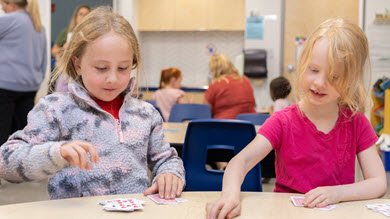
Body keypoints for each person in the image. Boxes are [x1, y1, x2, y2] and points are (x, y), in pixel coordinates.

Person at [206, 17, 387, 219]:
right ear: (303, 64)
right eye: (314, 70)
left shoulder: (356, 122)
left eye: (334, 77)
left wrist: (337, 193)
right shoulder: (283, 121)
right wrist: (230, 197)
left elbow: (379, 182)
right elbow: (240, 161)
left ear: (351, 81)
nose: (319, 82)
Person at [0, 6, 185, 200]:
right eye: (101, 68)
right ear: (78, 65)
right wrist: (56, 153)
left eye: (123, 68)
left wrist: (170, 173)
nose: (112, 78)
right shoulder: (56, 109)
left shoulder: (146, 114)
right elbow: (6, 161)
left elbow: (167, 159)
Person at [0, 0, 47, 146]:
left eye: (2, 4)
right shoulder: (39, 25)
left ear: (11, 4)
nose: (2, 7)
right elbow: (44, 59)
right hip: (30, 87)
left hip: (5, 87)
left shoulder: (9, 20)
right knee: (21, 137)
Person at [204, 54, 256, 119]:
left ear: (214, 69)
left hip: (225, 125)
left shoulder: (216, 83)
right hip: (250, 124)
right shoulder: (245, 80)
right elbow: (254, 104)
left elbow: (205, 110)